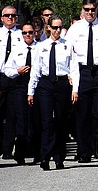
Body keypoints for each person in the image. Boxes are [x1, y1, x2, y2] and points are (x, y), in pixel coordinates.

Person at [64, 0, 98, 163]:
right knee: (82, 114)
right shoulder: (75, 28)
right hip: (82, 72)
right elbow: (68, 54)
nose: (90, 12)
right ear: (82, 10)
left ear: (97, 10)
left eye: (92, 9)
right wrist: (70, 74)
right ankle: (84, 150)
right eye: (87, 9)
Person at [27, 15, 80, 170]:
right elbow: (35, 70)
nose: (58, 31)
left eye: (60, 27)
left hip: (62, 83)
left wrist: (75, 89)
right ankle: (45, 156)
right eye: (55, 27)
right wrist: (31, 91)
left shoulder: (68, 45)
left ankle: (59, 157)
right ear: (48, 28)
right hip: (45, 84)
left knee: (61, 121)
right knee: (46, 122)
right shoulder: (41, 46)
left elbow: (74, 68)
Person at [0, 5, 22, 159]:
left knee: (12, 116)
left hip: (16, 78)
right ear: (1, 18)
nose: (10, 18)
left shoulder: (22, 35)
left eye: (13, 15)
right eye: (7, 15)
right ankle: (0, 140)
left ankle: (8, 148)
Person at [2, 21, 37, 165]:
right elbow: (7, 69)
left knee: (35, 119)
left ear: (35, 33)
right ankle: (20, 152)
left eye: (30, 32)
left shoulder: (40, 48)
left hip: (36, 87)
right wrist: (17, 71)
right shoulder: (17, 49)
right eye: (24, 33)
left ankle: (36, 151)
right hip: (20, 85)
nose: (27, 35)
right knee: (21, 120)